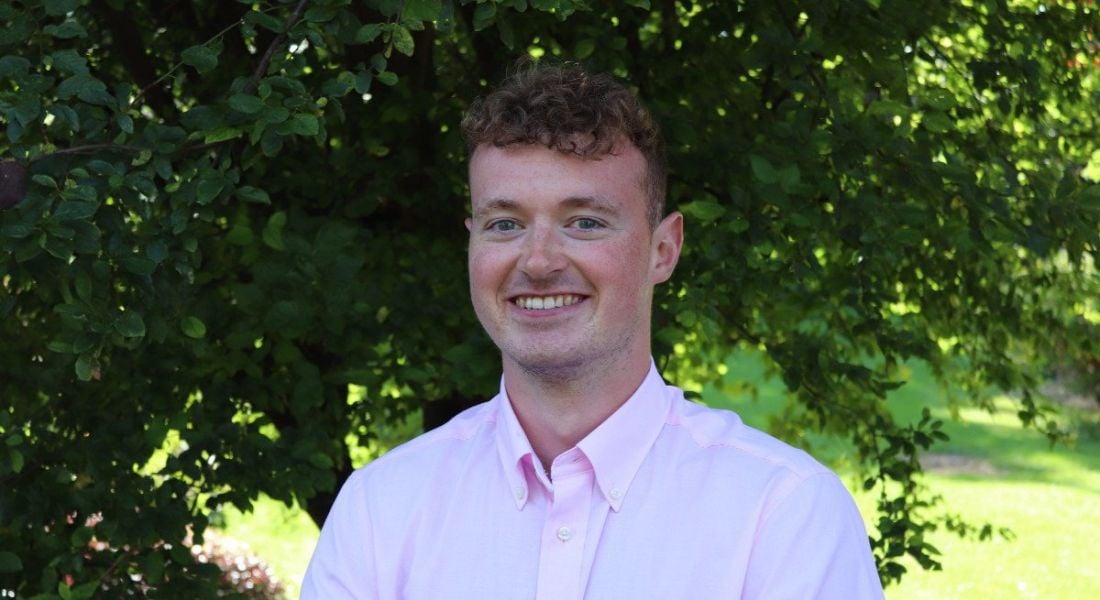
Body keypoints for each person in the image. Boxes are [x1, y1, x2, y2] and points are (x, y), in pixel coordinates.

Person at [301, 62, 884, 599]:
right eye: (505, 223)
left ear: (663, 249)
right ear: (472, 242)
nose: (537, 261)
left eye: (584, 222)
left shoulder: (782, 514)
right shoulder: (381, 511)